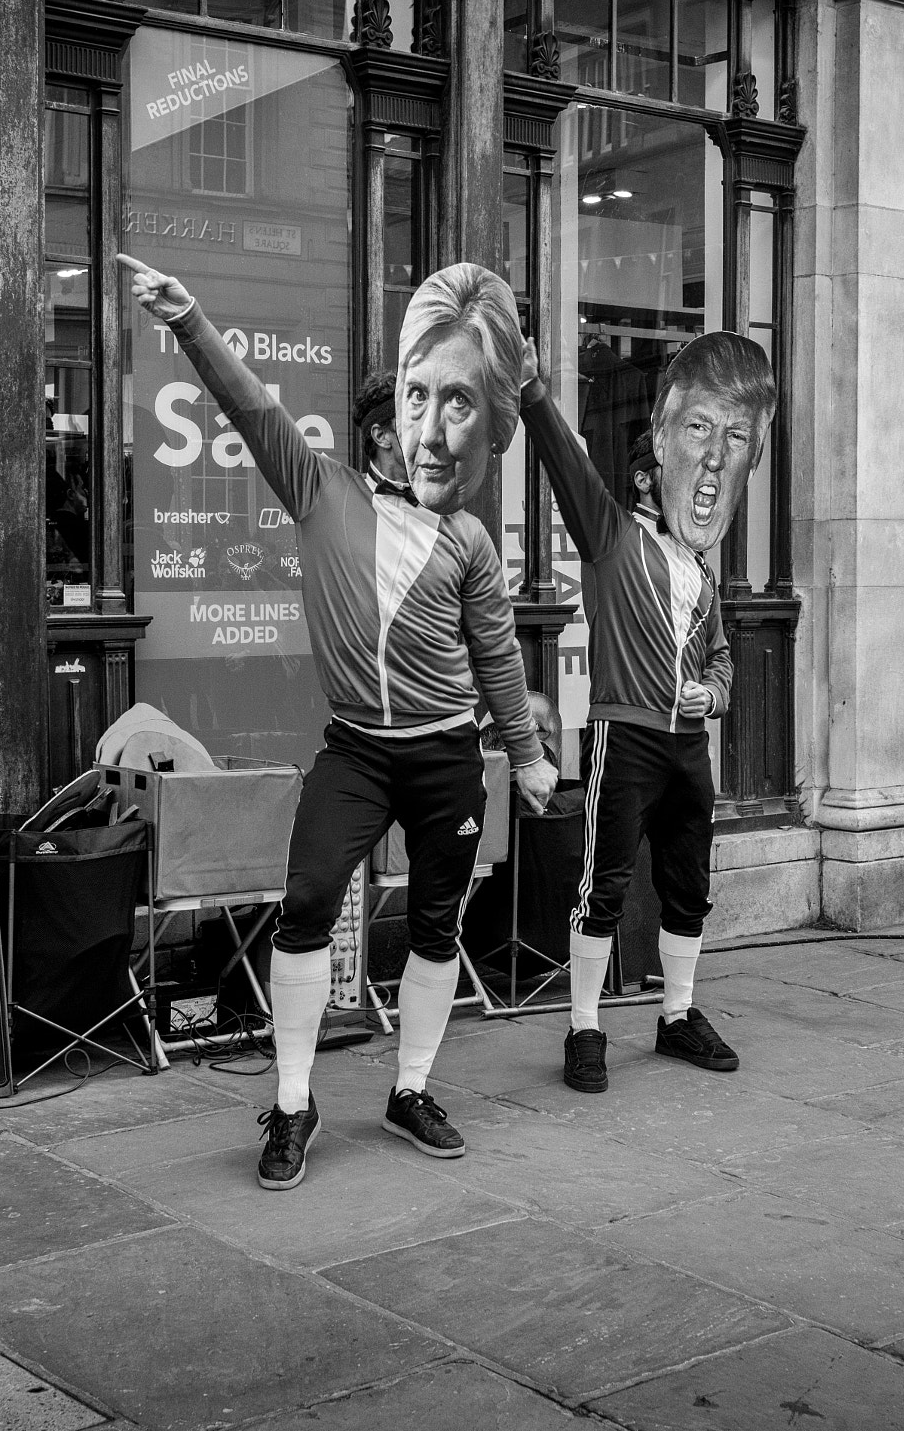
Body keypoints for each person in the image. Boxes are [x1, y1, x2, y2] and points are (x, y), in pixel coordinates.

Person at [119, 253, 559, 1190]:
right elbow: (252, 410)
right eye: (406, 415)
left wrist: (525, 755)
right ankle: (291, 1103)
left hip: (447, 755)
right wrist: (190, 318)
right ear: (375, 433)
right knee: (310, 899)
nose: (425, 437)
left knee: (439, 926)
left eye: (445, 414)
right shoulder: (319, 492)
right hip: (356, 751)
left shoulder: (468, 537)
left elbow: (499, 656)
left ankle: (410, 1089)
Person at [514, 331, 775, 1094]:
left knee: (689, 884)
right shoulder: (612, 540)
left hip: (687, 744)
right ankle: (585, 1027)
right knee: (602, 884)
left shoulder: (702, 568)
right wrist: (533, 391)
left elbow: (722, 658)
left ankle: (678, 1014)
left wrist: (714, 694)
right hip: (622, 735)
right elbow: (567, 467)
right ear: (644, 472)